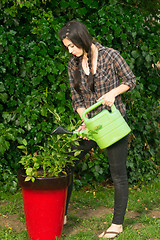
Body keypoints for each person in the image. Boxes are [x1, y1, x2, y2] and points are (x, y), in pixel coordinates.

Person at [58, 20, 136, 239]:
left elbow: (131, 80)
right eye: (67, 47)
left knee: (118, 173)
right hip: (91, 125)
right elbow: (77, 98)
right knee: (66, 163)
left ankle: (117, 224)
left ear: (81, 39)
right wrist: (85, 119)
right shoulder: (73, 64)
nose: (70, 51)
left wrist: (113, 93)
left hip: (112, 122)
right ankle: (61, 214)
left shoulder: (111, 55)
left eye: (71, 46)